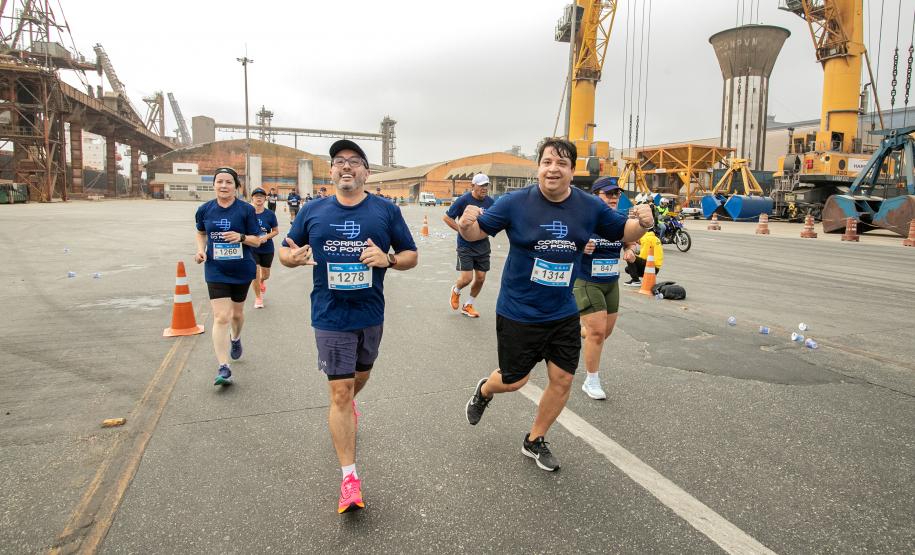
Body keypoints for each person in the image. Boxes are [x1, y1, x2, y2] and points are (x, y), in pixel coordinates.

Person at [459, 137, 654, 471]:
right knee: (514, 380)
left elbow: (625, 231)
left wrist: (645, 222)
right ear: (539, 167)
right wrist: (466, 223)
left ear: (571, 170)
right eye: (547, 162)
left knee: (562, 380)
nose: (553, 169)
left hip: (563, 310)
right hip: (519, 310)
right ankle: (485, 391)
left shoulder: (588, 206)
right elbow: (476, 233)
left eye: (561, 163)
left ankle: (534, 439)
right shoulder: (514, 202)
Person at [280, 139, 418, 513]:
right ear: (331, 171)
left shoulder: (385, 211)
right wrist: (291, 258)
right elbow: (285, 249)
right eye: (339, 161)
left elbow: (411, 256)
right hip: (329, 314)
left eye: (354, 162)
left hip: (370, 314)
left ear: (366, 172)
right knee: (339, 392)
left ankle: (348, 405)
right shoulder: (313, 210)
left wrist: (387, 259)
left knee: (358, 378)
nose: (346, 167)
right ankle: (349, 479)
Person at [194, 167, 262, 386]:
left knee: (236, 315)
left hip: (241, 269)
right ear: (214, 185)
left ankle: (236, 338)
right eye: (219, 182)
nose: (223, 186)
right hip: (216, 269)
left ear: (236, 187)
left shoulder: (246, 210)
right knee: (221, 316)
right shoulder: (204, 210)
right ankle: (224, 367)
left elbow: (257, 240)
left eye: (228, 182)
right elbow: (201, 232)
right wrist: (200, 250)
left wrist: (241, 237)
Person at [574, 177, 637, 400]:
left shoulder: (619, 218)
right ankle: (591, 381)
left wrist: (630, 249)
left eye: (616, 194)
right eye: (608, 194)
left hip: (611, 283)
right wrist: (581, 247)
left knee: (603, 332)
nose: (613, 198)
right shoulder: (583, 218)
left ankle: (574, 328)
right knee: (598, 333)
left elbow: (629, 239)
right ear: (595, 195)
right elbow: (563, 242)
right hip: (586, 280)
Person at [443, 173, 495, 318]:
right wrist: (461, 230)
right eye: (481, 185)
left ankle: (468, 305)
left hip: (483, 245)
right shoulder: (463, 200)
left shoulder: (491, 202)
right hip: (465, 245)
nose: (484, 188)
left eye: (486, 185)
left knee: (480, 278)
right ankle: (456, 290)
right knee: (466, 278)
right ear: (473, 186)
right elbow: (447, 218)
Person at [249, 188, 278, 308]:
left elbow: (275, 231)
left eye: (261, 196)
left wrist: (266, 236)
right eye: (256, 196)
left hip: (267, 248)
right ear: (252, 198)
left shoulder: (270, 214)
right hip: (252, 248)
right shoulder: (247, 213)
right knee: (254, 273)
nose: (259, 198)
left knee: (265, 275)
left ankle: (261, 281)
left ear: (265, 198)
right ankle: (258, 298)